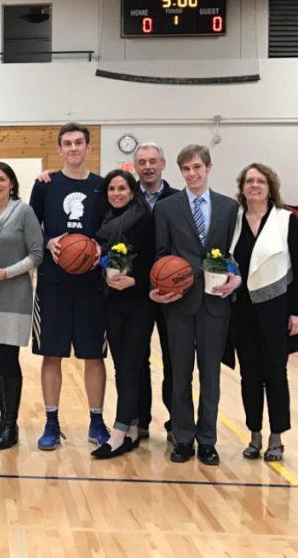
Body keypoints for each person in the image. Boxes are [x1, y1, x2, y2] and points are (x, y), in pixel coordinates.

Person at [151, 144, 240, 466]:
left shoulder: (229, 208)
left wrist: (235, 277)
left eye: (197, 168)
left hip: (216, 304)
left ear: (208, 167)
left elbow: (234, 255)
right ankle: (183, 438)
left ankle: (208, 440)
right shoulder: (167, 208)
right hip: (179, 303)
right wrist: (158, 287)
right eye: (186, 169)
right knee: (180, 374)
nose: (192, 174)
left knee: (211, 376)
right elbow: (161, 255)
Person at [29, 123, 109, 450]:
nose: (73, 148)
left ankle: (96, 420)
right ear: (59, 149)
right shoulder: (45, 185)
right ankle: (51, 422)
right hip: (53, 283)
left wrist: (100, 248)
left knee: (95, 356)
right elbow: (30, 229)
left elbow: (111, 228)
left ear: (89, 147)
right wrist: (48, 243)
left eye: (79, 143)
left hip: (92, 284)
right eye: (67, 143)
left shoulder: (103, 187)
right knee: (52, 355)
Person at [228, 163, 296, 462]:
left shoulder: (286, 221)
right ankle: (254, 435)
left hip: (276, 310)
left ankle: (276, 437)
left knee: (275, 375)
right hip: (242, 311)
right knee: (249, 376)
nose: (254, 185)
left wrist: (296, 312)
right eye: (249, 181)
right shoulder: (235, 221)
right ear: (242, 187)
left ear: (271, 187)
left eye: (260, 181)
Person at [0, 162, 43, 450]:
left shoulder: (24, 211)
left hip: (14, 294)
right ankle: (2, 422)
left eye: (2, 179)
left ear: (11, 183)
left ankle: (11, 426)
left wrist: (6, 273)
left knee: (9, 360)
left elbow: (37, 254)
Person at [92, 170, 155, 459]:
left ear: (133, 191)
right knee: (122, 366)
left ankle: (117, 433)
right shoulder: (104, 223)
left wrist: (136, 280)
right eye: (112, 189)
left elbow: (156, 260)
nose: (117, 193)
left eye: (122, 188)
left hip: (140, 303)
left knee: (130, 366)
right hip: (111, 302)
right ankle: (130, 429)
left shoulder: (145, 218)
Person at [132, 143, 179, 441]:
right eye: (141, 162)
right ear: (135, 166)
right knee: (137, 358)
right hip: (134, 291)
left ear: (162, 163)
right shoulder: (125, 195)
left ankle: (177, 421)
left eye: (152, 161)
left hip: (171, 290)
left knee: (175, 358)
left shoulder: (177, 199)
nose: (147, 166)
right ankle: (140, 419)